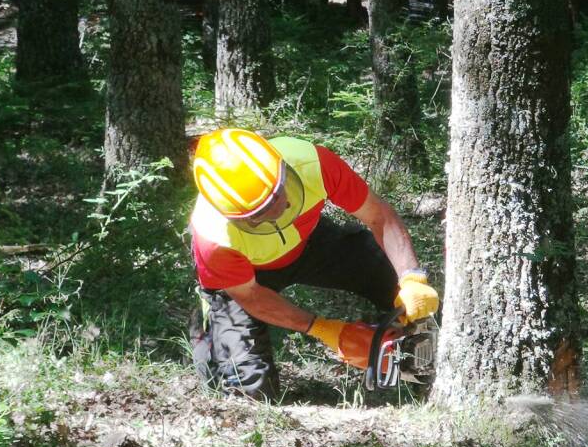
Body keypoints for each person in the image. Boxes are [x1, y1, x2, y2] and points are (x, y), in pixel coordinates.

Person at [188, 128, 439, 399]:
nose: (278, 210)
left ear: (283, 169)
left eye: (278, 195)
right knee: (250, 392)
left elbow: (379, 217)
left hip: (310, 241)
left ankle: (425, 355)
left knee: (391, 275)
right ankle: (209, 328)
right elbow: (250, 295)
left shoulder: (311, 161)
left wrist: (411, 277)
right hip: (247, 280)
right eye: (259, 214)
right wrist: (326, 329)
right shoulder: (213, 238)